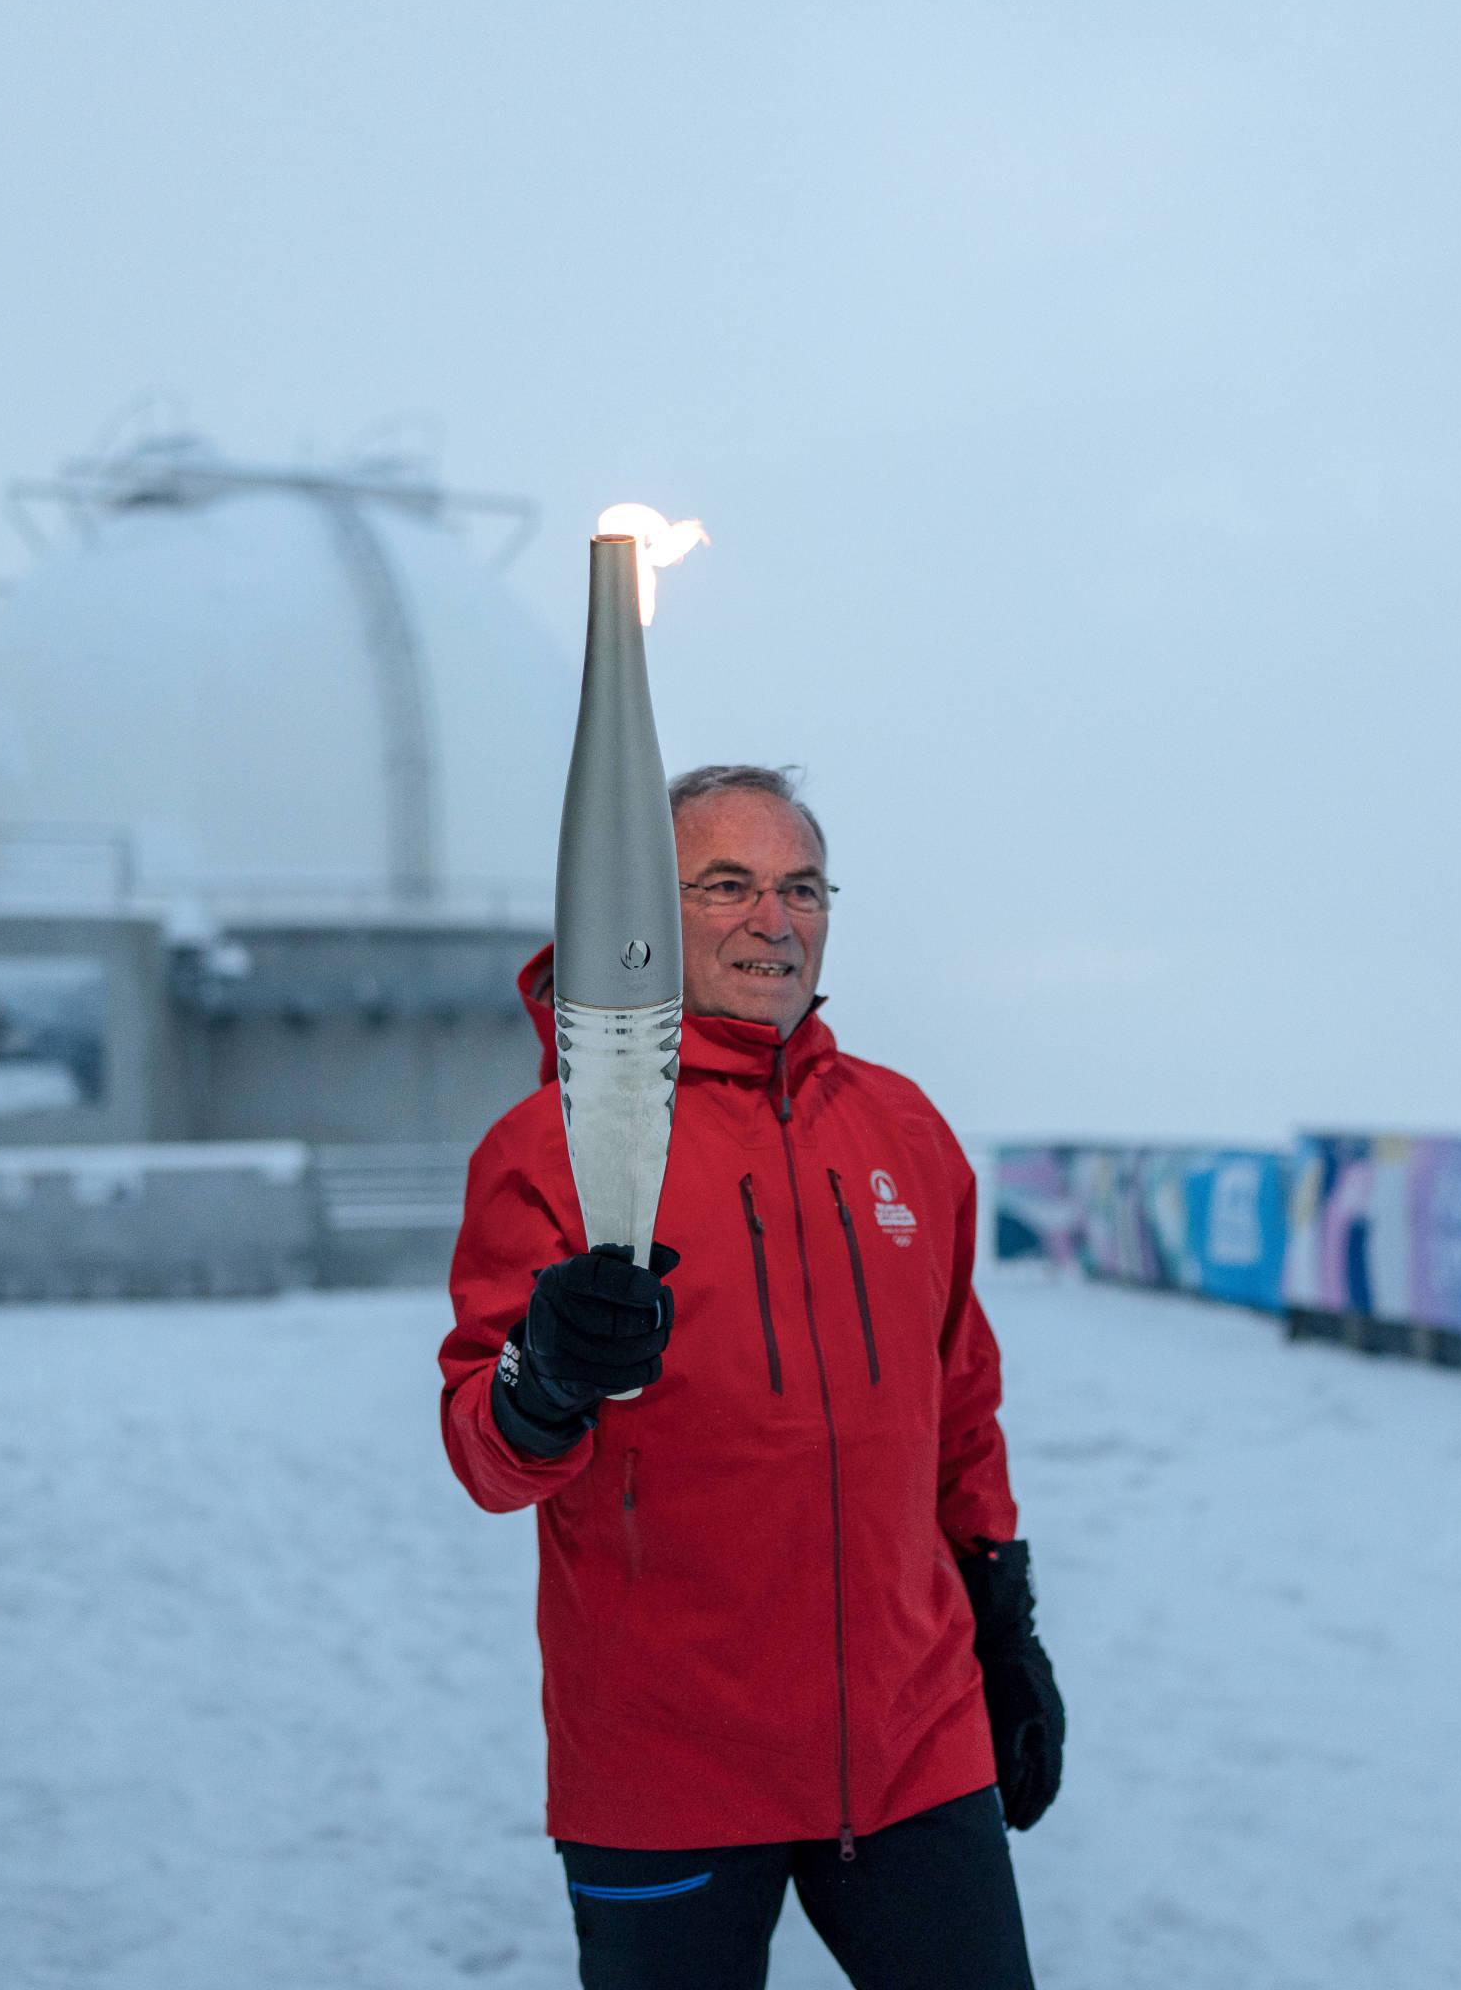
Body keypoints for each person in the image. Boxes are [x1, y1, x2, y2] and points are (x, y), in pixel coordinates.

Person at [439, 764, 1064, 1990]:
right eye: (726, 885)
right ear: (646, 912)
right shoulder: (554, 1145)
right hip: (665, 1764)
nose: (773, 918)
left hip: (912, 1746)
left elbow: (961, 1409)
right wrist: (546, 1371)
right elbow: (484, 1447)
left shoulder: (904, 1129)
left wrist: (1005, 1619)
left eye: (801, 886)